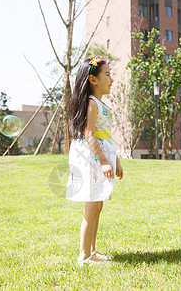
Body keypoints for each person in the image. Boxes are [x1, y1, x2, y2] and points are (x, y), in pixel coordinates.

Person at [66, 57, 124, 266]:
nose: (112, 79)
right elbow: (89, 134)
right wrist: (104, 162)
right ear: (93, 79)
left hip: (100, 159)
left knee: (97, 206)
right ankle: (83, 255)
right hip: (91, 160)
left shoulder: (101, 104)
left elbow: (106, 137)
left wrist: (115, 161)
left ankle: (92, 250)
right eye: (107, 75)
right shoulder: (91, 103)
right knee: (91, 208)